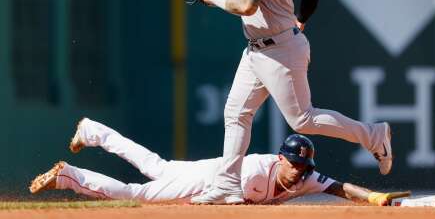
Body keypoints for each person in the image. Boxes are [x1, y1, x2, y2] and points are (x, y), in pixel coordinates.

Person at [189, 0, 393, 205]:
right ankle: (228, 185)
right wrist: (298, 22)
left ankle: (373, 135)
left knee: (302, 119)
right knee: (236, 114)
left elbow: (247, 6)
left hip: (279, 51)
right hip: (262, 49)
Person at [29, 118, 408, 205]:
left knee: (155, 165)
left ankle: (94, 131)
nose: (301, 173)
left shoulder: (304, 177)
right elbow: (229, 199)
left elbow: (339, 187)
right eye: (296, 166)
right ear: (282, 159)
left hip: (210, 174)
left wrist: (374, 197)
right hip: (210, 180)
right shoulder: (263, 169)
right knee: (139, 194)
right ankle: (69, 175)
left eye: (305, 168)